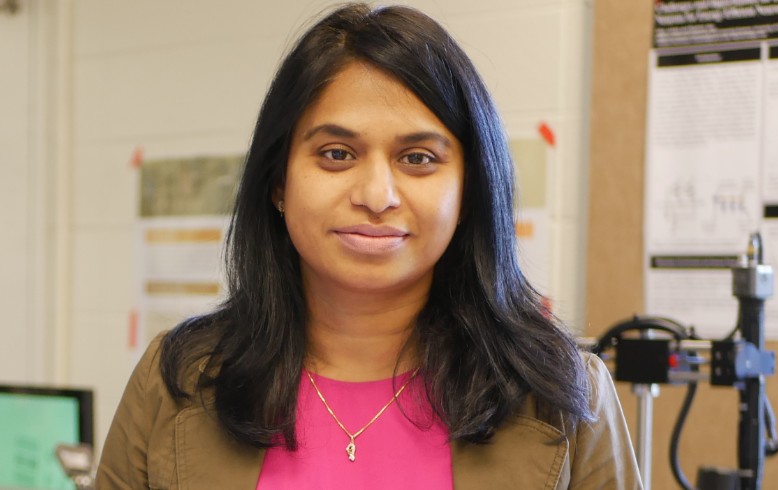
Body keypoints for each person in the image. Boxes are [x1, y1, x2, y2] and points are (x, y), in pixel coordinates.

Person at [98, 3, 641, 489]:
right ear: (278, 183)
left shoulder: (566, 395)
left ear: (469, 190)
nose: (377, 195)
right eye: (336, 154)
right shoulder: (177, 380)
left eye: (418, 158)